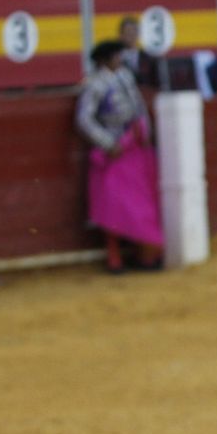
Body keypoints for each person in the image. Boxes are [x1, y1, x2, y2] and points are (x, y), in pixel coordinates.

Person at [76, 39, 163, 274]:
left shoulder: (125, 76)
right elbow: (84, 120)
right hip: (114, 153)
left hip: (135, 150)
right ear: (104, 60)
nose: (120, 60)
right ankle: (114, 258)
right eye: (116, 56)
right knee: (115, 207)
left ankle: (144, 255)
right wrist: (108, 143)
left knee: (141, 204)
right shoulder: (95, 84)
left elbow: (140, 109)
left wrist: (146, 132)